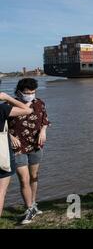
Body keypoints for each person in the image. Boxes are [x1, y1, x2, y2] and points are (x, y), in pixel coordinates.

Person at [8, 78, 50, 225]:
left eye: (33, 92)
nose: (31, 95)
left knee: (34, 176)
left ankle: (33, 204)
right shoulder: (9, 105)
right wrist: (10, 136)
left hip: (36, 145)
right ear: (19, 92)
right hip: (17, 148)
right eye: (27, 93)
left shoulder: (39, 103)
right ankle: (29, 208)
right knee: (23, 179)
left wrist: (43, 131)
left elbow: (45, 121)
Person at [0, 92, 32, 218]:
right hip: (2, 157)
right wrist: (7, 97)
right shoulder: (2, 108)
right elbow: (27, 110)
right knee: (1, 192)